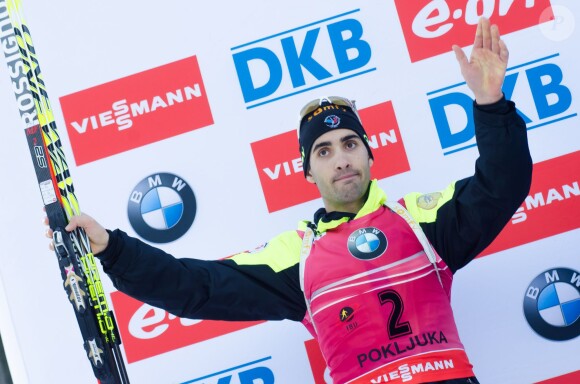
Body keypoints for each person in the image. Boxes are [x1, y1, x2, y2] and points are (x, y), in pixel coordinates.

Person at [45, 18, 532, 384]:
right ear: (307, 169)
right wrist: (110, 246)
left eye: (349, 144)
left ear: (369, 152)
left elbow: (502, 185)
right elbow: (193, 287)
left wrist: (490, 104)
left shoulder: (424, 220)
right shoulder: (295, 257)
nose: (340, 159)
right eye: (324, 151)